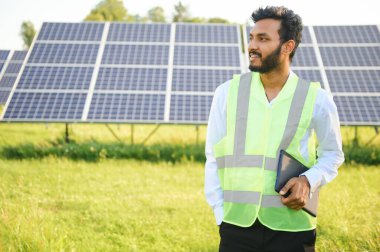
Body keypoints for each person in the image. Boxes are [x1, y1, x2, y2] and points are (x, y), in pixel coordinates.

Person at [204, 6, 344, 252]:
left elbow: (333, 154)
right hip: (236, 228)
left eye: (263, 39)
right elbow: (213, 156)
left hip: (293, 228)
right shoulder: (226, 93)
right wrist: (220, 213)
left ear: (288, 46)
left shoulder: (317, 98)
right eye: (251, 37)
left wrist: (308, 180)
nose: (252, 46)